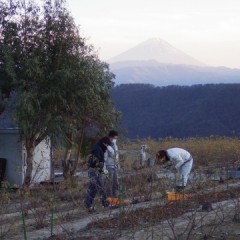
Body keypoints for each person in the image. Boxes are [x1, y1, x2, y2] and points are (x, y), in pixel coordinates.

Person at [84, 136, 113, 212]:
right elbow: (97, 162)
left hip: (94, 171)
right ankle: (106, 204)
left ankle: (87, 205)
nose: (107, 147)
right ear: (104, 143)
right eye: (107, 145)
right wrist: (102, 170)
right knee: (100, 187)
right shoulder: (97, 149)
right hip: (95, 171)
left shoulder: (99, 148)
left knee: (92, 189)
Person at [104, 130, 120, 198]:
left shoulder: (115, 146)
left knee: (115, 182)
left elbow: (116, 155)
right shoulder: (106, 145)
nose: (115, 140)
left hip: (115, 166)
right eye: (114, 138)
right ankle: (109, 198)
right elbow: (104, 157)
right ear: (110, 137)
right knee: (109, 183)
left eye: (116, 138)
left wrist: (118, 164)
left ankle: (115, 197)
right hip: (108, 166)